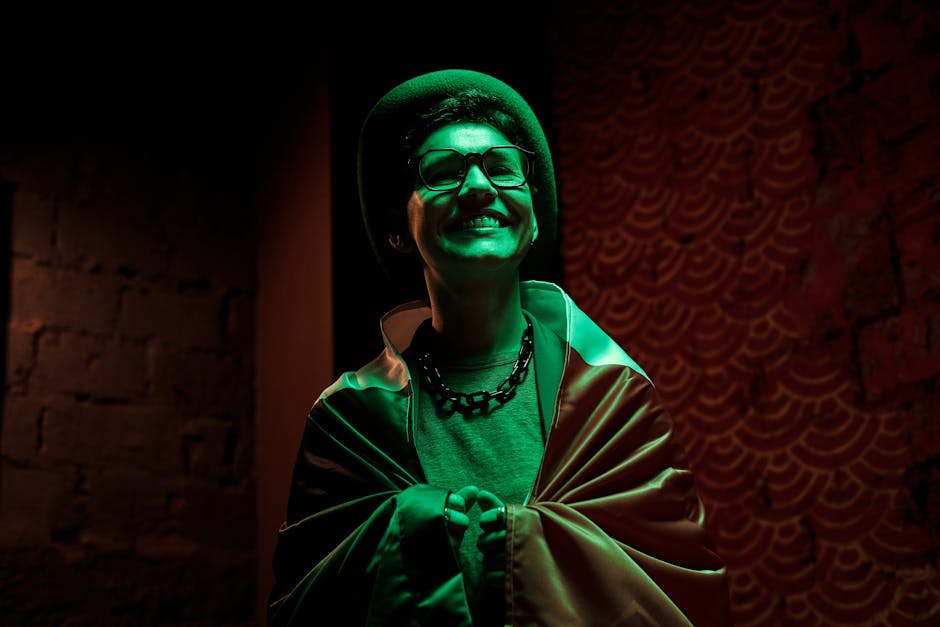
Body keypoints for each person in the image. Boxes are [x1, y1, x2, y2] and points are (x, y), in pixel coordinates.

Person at [268, 68, 732, 626]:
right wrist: (413, 529)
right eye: (442, 172)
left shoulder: (614, 397)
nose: (478, 187)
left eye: (502, 168)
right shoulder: (348, 418)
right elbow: (306, 607)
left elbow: (679, 597)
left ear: (532, 218)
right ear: (398, 225)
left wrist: (524, 548)